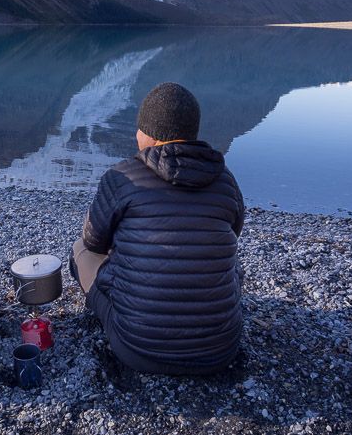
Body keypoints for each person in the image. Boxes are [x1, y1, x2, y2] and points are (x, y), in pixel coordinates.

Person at [70, 81, 245, 374]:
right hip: (221, 349)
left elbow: (93, 242)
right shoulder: (225, 181)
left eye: (139, 128)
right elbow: (233, 232)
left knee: (79, 252)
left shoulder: (121, 177)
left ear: (151, 135)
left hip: (138, 349)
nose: (134, 135)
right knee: (227, 258)